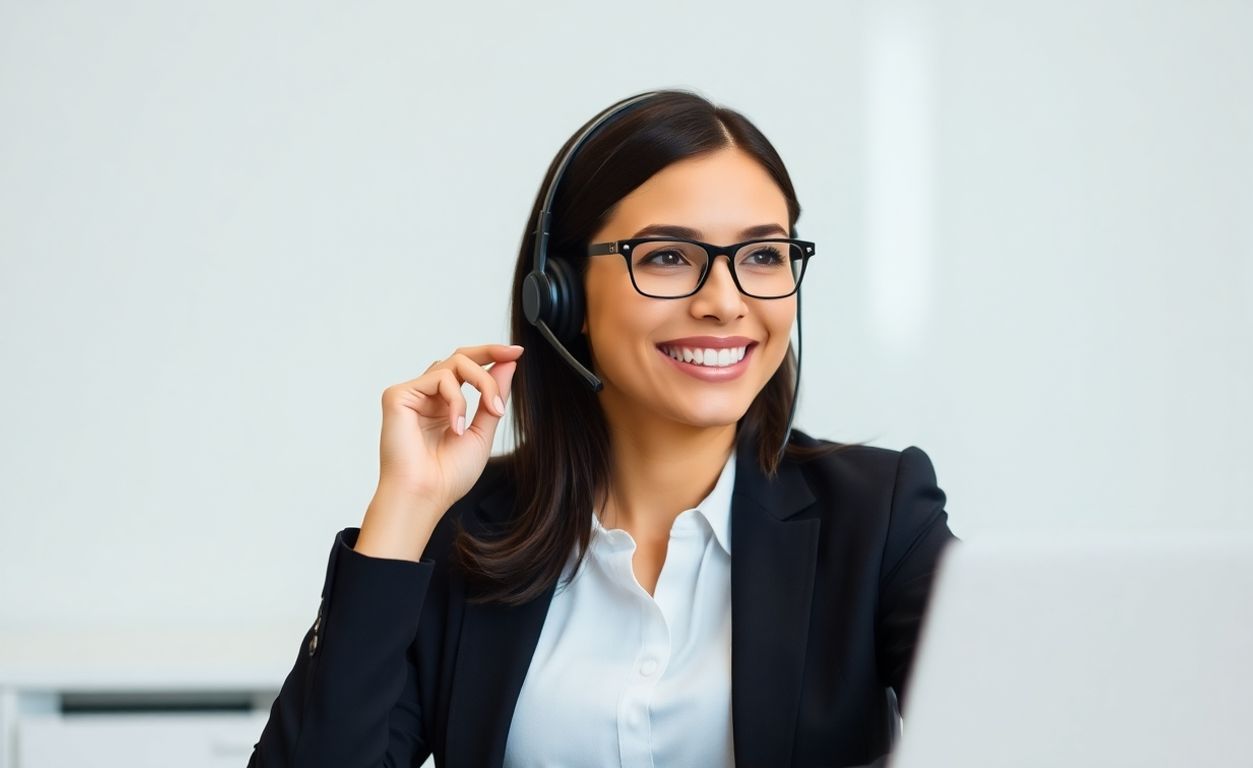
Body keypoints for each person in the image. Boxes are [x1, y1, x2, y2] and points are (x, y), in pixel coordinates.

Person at [247, 89, 956, 768]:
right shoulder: (468, 535)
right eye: (668, 256)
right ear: (563, 294)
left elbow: (1018, 739)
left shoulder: (881, 516)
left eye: (763, 255)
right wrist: (404, 510)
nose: (725, 301)